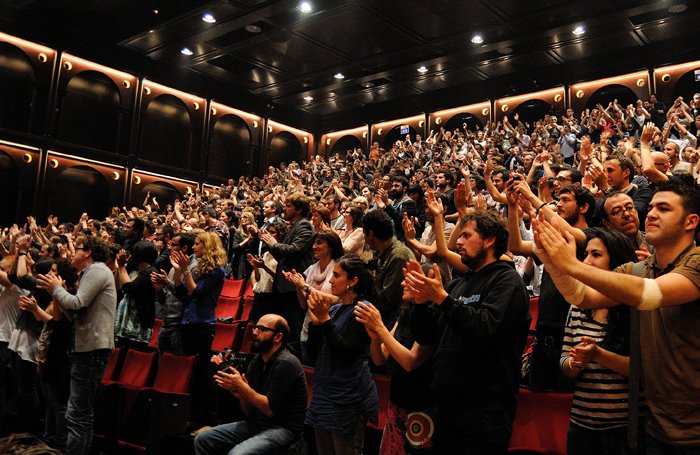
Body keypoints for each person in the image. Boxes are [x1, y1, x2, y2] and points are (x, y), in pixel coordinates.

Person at [533, 182, 700, 453]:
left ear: (691, 221)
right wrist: (551, 260)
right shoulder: (638, 269)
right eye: (653, 206)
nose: (651, 213)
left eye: (664, 208)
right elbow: (580, 296)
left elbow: (651, 294)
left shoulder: (696, 262)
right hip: (655, 428)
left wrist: (571, 264)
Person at [406, 210, 530, 453]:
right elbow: (427, 337)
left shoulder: (507, 282)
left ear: (489, 239)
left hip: (484, 410)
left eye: (466, 235)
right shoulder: (457, 284)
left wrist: (443, 299)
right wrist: (420, 305)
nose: (458, 242)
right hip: (445, 404)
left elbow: (486, 328)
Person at [560, 228, 640, 455]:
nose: (587, 261)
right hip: (582, 425)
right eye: (585, 254)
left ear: (616, 260)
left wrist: (598, 355)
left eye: (596, 255)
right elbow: (564, 360)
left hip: (627, 428)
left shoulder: (636, 305)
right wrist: (574, 364)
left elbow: (645, 371)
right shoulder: (578, 306)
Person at [37, 235, 117, 455]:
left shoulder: (97, 271)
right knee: (81, 413)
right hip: (86, 347)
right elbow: (75, 315)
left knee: (76, 414)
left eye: (77, 249)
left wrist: (57, 290)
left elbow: (77, 302)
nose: (72, 253)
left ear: (88, 251)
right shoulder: (92, 273)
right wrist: (57, 292)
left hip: (91, 349)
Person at [194, 314, 307, 455]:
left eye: (261, 329)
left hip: (283, 428)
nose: (254, 332)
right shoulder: (256, 362)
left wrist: (243, 388)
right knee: (203, 439)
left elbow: (270, 410)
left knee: (238, 454)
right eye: (255, 327)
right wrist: (241, 395)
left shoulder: (286, 363)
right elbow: (249, 411)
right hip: (258, 424)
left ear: (278, 337)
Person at [354, 267, 435, 455]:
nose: (402, 283)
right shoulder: (405, 313)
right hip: (398, 402)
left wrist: (380, 327)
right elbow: (380, 358)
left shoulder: (432, 318)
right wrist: (375, 337)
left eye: (409, 279)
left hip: (421, 407)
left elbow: (410, 362)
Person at [305, 255, 378, 455]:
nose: (330, 280)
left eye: (336, 276)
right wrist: (316, 323)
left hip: (347, 398)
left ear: (353, 281)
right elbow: (314, 351)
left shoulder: (363, 309)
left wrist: (325, 320)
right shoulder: (336, 309)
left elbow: (346, 352)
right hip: (325, 394)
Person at [170, 231, 227, 426]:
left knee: (202, 372)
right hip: (189, 322)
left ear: (208, 246)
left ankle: (211, 416)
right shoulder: (202, 268)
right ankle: (194, 415)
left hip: (202, 325)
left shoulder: (217, 270)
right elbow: (181, 292)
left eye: (197, 244)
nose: (193, 248)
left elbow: (196, 291)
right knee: (192, 372)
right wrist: (178, 270)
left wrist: (185, 271)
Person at [151, 232, 197, 354]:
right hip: (166, 323)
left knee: (177, 368)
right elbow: (163, 300)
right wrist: (159, 289)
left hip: (180, 325)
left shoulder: (194, 268)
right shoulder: (173, 267)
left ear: (184, 248)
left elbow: (187, 296)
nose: (169, 248)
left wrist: (167, 282)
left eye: (173, 245)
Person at [114, 241, 158, 345]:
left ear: (140, 256)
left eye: (133, 254)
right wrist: (121, 267)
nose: (130, 256)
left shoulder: (150, 272)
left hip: (136, 326)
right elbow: (119, 288)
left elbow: (130, 288)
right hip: (126, 321)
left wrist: (121, 266)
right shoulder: (135, 271)